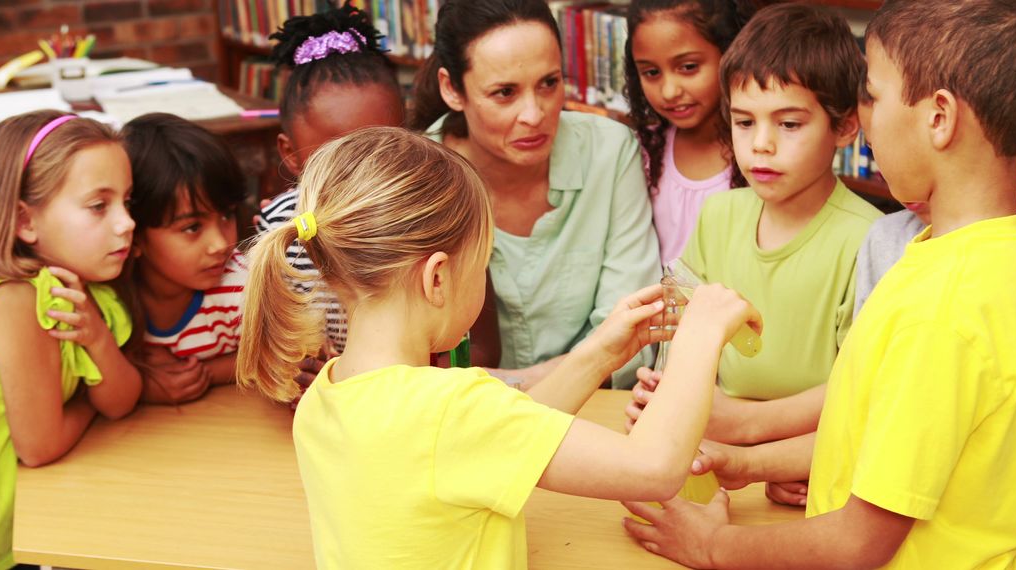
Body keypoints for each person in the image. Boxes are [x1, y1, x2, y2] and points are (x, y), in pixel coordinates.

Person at [623, 1, 1016, 567]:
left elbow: (857, 543)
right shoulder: (981, 249)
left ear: (939, 118)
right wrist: (745, 464)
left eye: (873, 96)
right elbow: (887, 435)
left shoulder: (945, 307)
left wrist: (711, 546)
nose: (864, 116)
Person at [236, 126, 762, 569]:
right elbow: (653, 467)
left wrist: (600, 352)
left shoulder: (325, 397)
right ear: (437, 278)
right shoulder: (452, 410)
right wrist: (702, 333)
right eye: (482, 260)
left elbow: (500, 440)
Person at [627, 1, 880, 431]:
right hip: (715, 442)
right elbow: (680, 336)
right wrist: (663, 394)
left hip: (811, 451)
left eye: (789, 124)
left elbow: (861, 388)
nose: (761, 144)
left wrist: (743, 424)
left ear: (844, 127)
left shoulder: (872, 240)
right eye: (744, 122)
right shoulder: (718, 214)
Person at [410, 0, 662, 389]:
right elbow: (409, 355)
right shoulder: (414, 180)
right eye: (505, 93)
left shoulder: (610, 152)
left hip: (594, 415)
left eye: (549, 83)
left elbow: (633, 338)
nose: (534, 114)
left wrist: (510, 382)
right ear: (452, 89)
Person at [0, 110, 142, 569]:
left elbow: (121, 401)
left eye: (127, 202)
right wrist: (88, 406)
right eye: (99, 206)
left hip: (39, 523)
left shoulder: (90, 294)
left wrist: (97, 339)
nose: (126, 223)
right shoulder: (16, 302)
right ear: (24, 222)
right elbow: (38, 446)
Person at [256, 4, 406, 363]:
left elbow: (469, 347)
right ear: (290, 154)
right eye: (338, 158)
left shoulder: (424, 214)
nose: (362, 174)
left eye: (381, 148)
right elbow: (272, 345)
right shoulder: (279, 229)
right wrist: (294, 368)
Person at [121, 113, 248, 404]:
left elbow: (279, 355)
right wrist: (142, 384)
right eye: (192, 227)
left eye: (227, 215)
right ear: (135, 235)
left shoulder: (244, 288)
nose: (220, 244)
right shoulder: (110, 297)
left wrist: (203, 374)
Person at [625, 0, 753, 263]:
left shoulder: (760, 154)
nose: (669, 91)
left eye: (688, 67)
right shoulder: (643, 152)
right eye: (651, 72)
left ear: (730, 54)